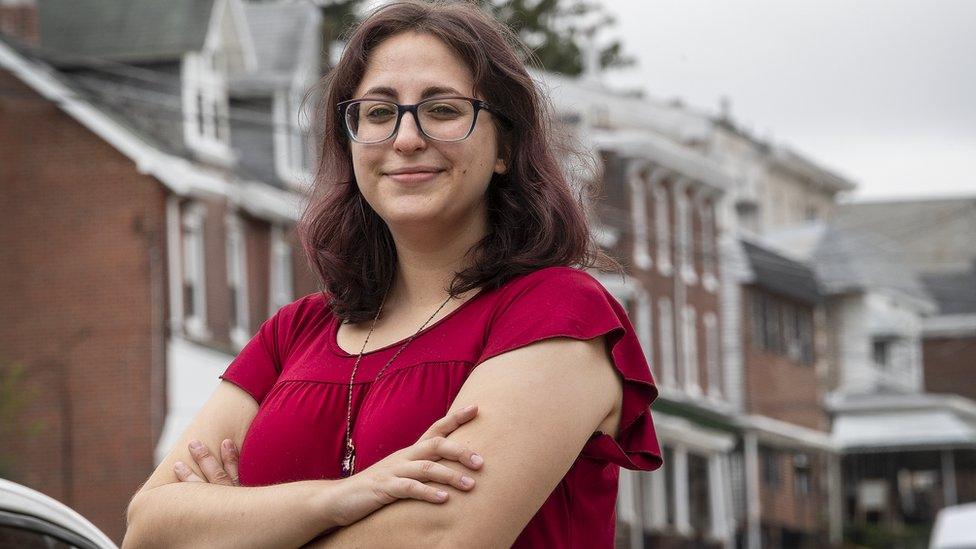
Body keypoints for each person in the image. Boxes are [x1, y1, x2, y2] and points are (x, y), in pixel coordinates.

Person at [122, 1, 662, 547]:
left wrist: (237, 525)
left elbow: (441, 536)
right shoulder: (294, 334)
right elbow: (148, 529)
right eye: (378, 113)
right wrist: (336, 498)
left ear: (506, 144)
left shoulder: (557, 314)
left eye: (444, 110)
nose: (405, 139)